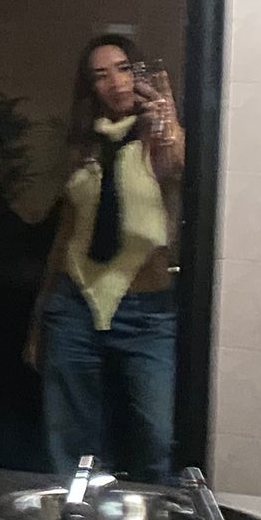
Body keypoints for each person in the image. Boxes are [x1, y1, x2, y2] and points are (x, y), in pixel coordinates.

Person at [27, 31, 183, 483]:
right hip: (75, 304)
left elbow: (179, 166)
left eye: (123, 69)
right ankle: (80, 516)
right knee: (70, 442)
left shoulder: (157, 138)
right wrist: (39, 319)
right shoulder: (83, 146)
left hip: (146, 312)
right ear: (90, 88)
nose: (115, 82)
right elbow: (65, 235)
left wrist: (168, 118)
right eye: (100, 75)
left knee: (157, 436)